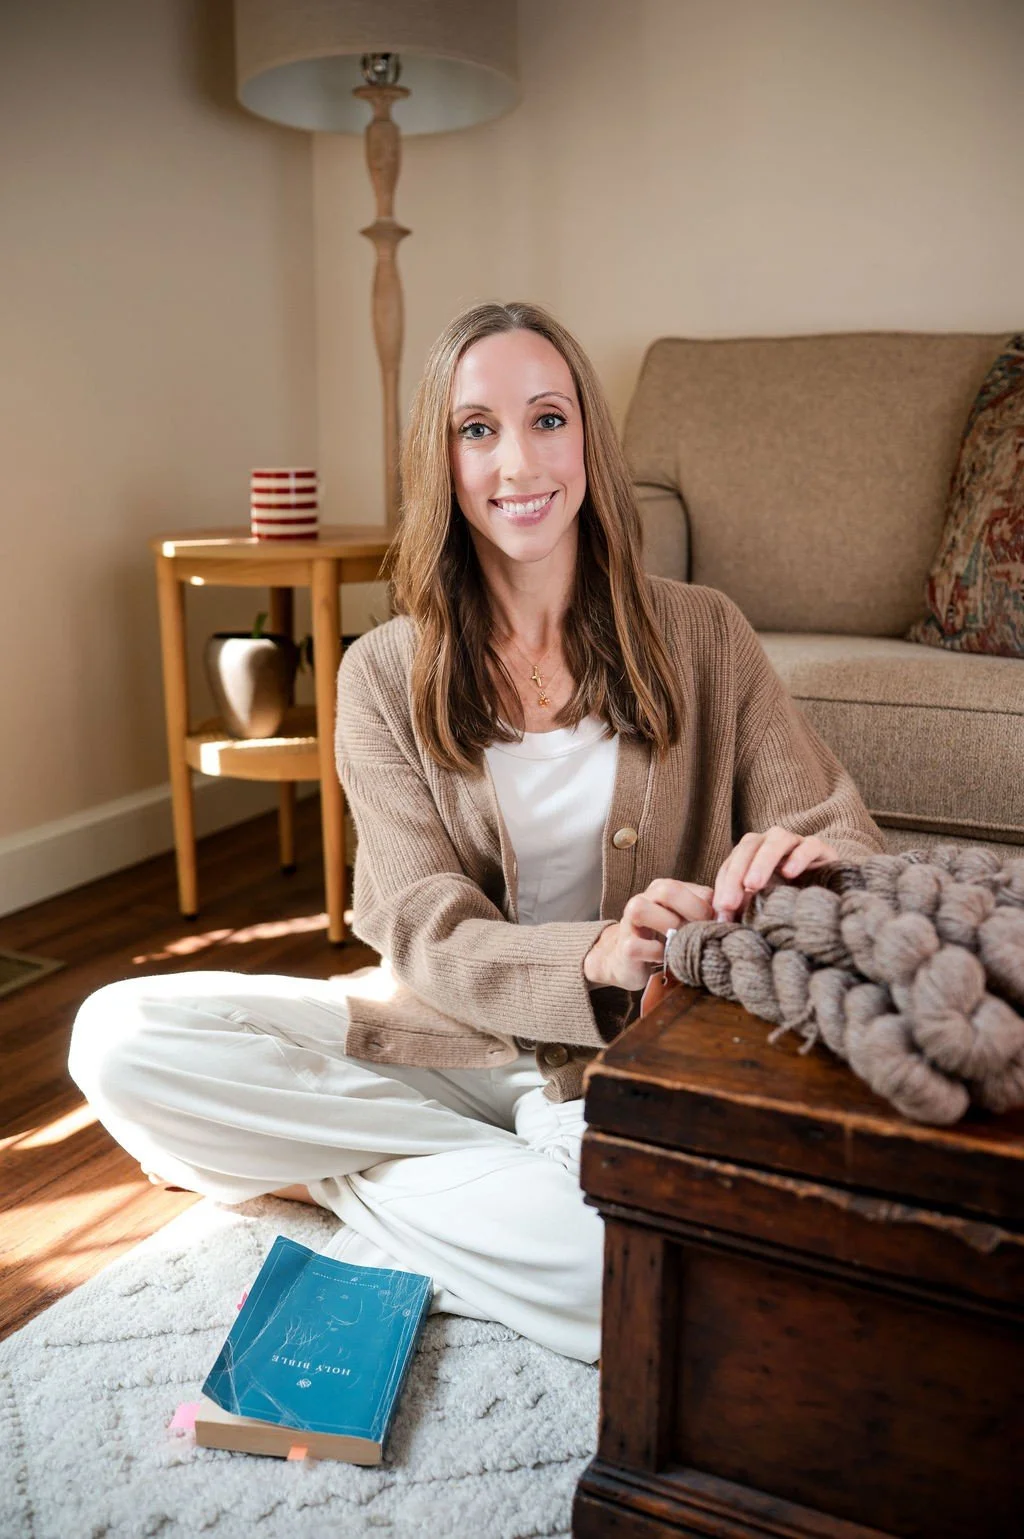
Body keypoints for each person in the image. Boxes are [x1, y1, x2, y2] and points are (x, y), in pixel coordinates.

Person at [68, 301, 883, 1365]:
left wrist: (799, 868)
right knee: (116, 1037)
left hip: (625, 1063)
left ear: (587, 437)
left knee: (624, 1284)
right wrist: (589, 952)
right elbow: (416, 924)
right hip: (449, 1039)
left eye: (547, 419)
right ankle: (440, 1172)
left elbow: (840, 837)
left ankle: (326, 1170)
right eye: (477, 429)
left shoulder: (702, 632)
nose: (517, 462)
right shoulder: (382, 674)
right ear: (441, 461)